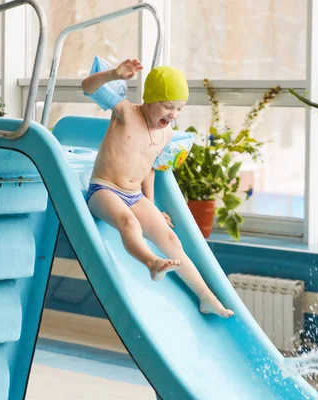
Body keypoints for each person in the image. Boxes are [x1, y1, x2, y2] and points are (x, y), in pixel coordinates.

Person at [81, 59, 234, 318]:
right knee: (130, 223)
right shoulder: (125, 112)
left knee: (171, 239)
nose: (173, 114)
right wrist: (114, 74)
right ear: (149, 100)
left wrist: (150, 205)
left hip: (134, 196)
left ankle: (205, 297)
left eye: (179, 109)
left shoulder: (166, 133)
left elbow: (148, 167)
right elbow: (88, 87)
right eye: (167, 106)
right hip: (104, 190)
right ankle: (152, 262)